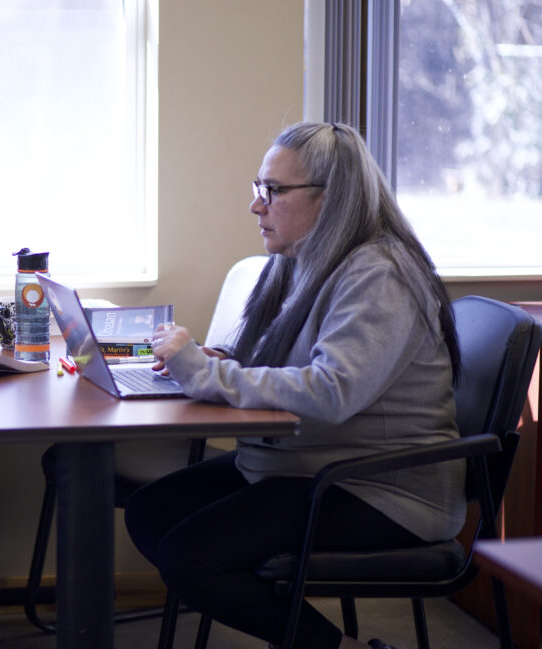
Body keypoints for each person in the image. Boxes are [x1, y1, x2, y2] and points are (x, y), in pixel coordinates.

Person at [124, 122, 465, 649]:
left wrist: (207, 373)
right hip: (301, 466)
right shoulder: (298, 260)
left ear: (332, 199)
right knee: (150, 513)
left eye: (273, 191)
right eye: (258, 188)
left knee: (191, 557)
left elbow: (331, 391)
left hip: (377, 486)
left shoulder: (379, 275)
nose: (256, 206)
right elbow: (282, 361)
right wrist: (216, 360)